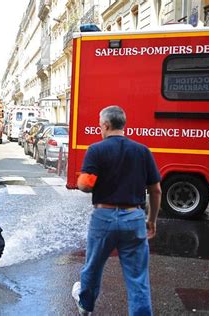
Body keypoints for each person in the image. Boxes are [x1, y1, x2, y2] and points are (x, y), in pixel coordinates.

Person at [71, 105, 161, 316]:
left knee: (93, 266)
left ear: (106, 125)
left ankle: (85, 305)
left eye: (100, 125)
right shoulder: (142, 150)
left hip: (104, 217)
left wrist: (83, 179)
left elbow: (85, 185)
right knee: (138, 276)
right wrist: (152, 219)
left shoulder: (96, 150)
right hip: (134, 216)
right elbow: (156, 190)